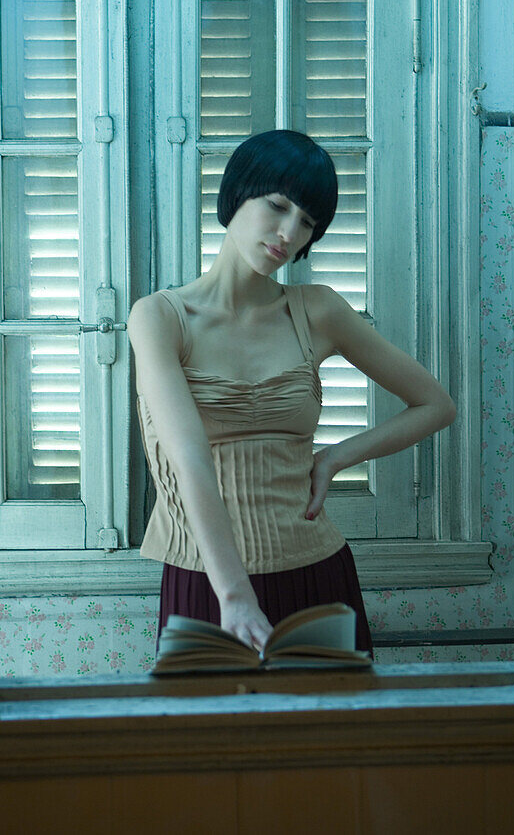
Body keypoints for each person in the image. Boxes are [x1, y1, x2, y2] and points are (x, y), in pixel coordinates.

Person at [128, 130, 456, 656]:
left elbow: (436, 405)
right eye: (277, 206)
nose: (289, 233)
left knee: (329, 737)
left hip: (315, 573)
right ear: (235, 196)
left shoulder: (319, 309)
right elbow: (190, 460)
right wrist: (234, 595)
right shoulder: (160, 317)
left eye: (307, 222)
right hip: (208, 582)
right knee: (213, 738)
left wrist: (334, 458)